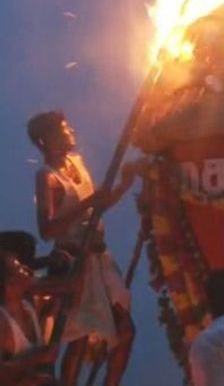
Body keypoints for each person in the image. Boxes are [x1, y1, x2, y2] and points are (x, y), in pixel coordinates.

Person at [28, 111, 139, 386]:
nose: (70, 132)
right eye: (63, 129)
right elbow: (48, 230)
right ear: (47, 140)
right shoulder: (47, 176)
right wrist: (88, 202)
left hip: (99, 260)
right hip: (74, 264)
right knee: (78, 339)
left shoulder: (77, 163)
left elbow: (98, 206)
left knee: (124, 330)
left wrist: (125, 183)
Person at [0, 231, 63, 386]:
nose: (27, 269)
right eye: (19, 267)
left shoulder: (29, 306)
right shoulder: (3, 324)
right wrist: (36, 357)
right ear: (9, 283)